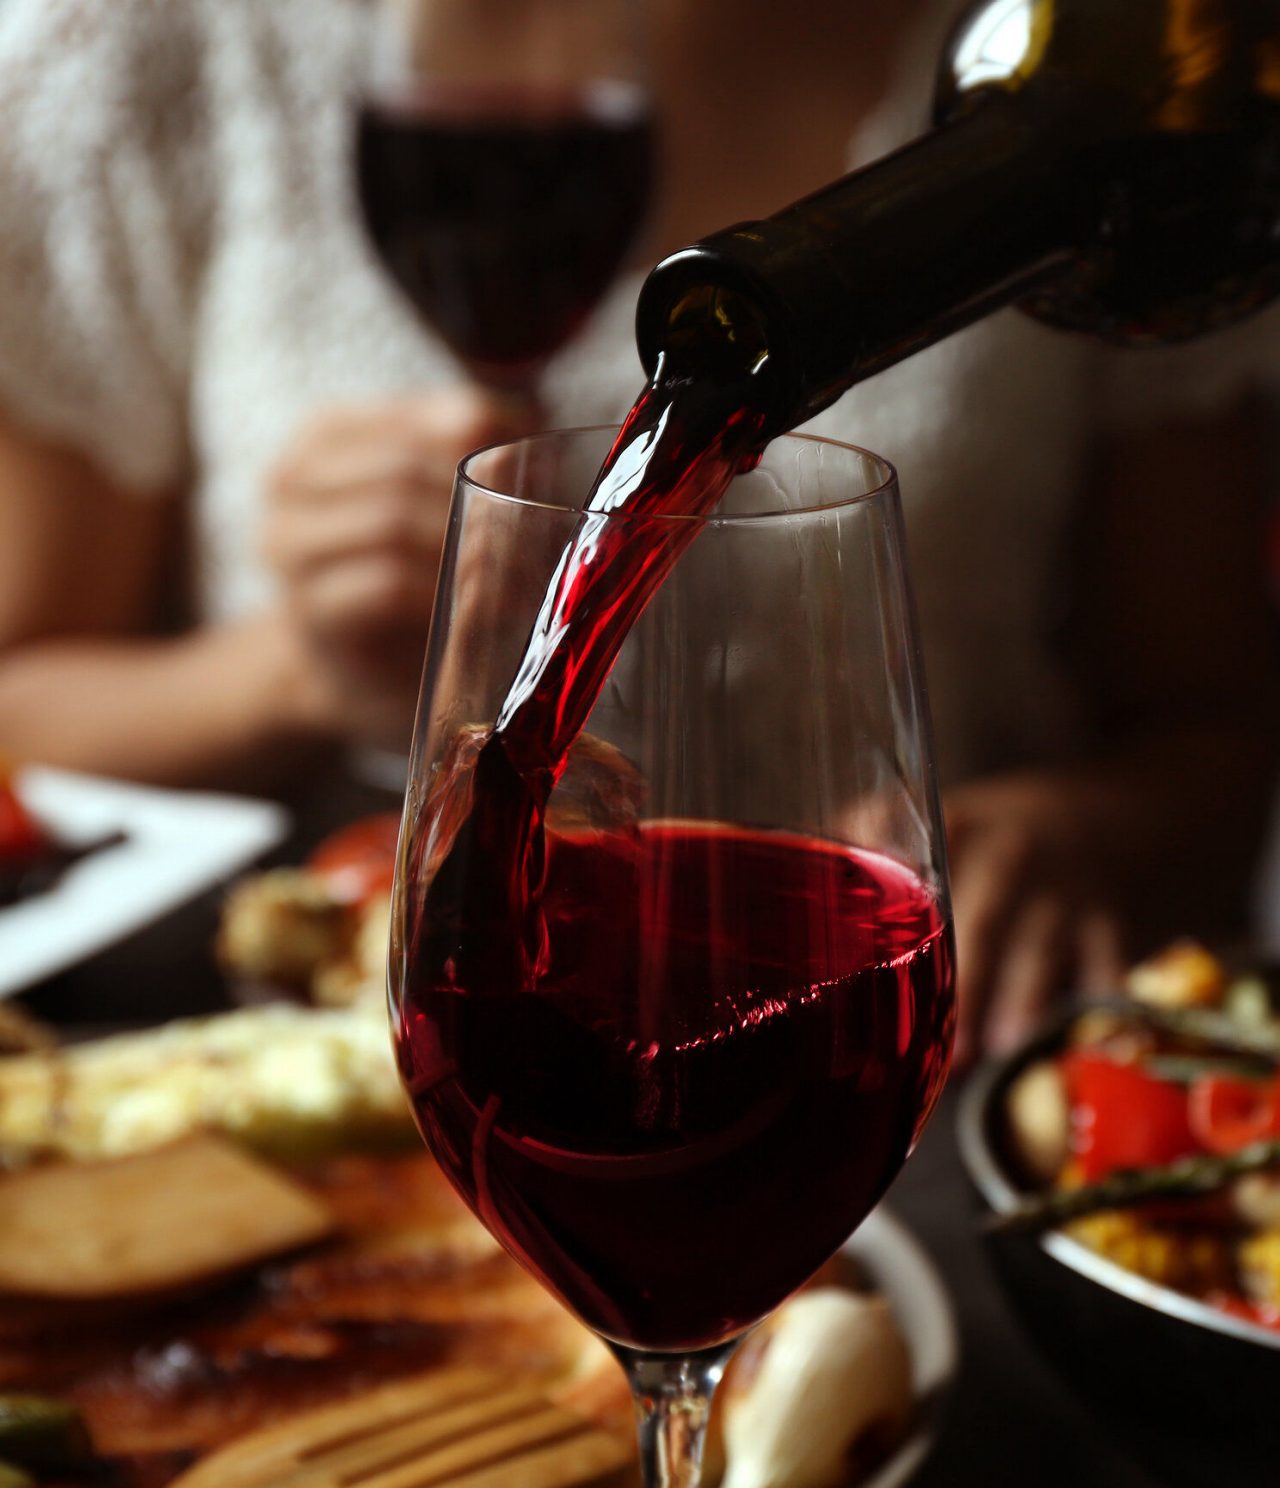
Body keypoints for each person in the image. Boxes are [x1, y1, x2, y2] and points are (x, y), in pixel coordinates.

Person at [0, 0, 1274, 1061]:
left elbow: (1213, 733)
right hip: (320, 1077)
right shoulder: (151, 50)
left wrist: (1080, 832)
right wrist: (288, 669)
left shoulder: (1096, 81)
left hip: (894, 1061)